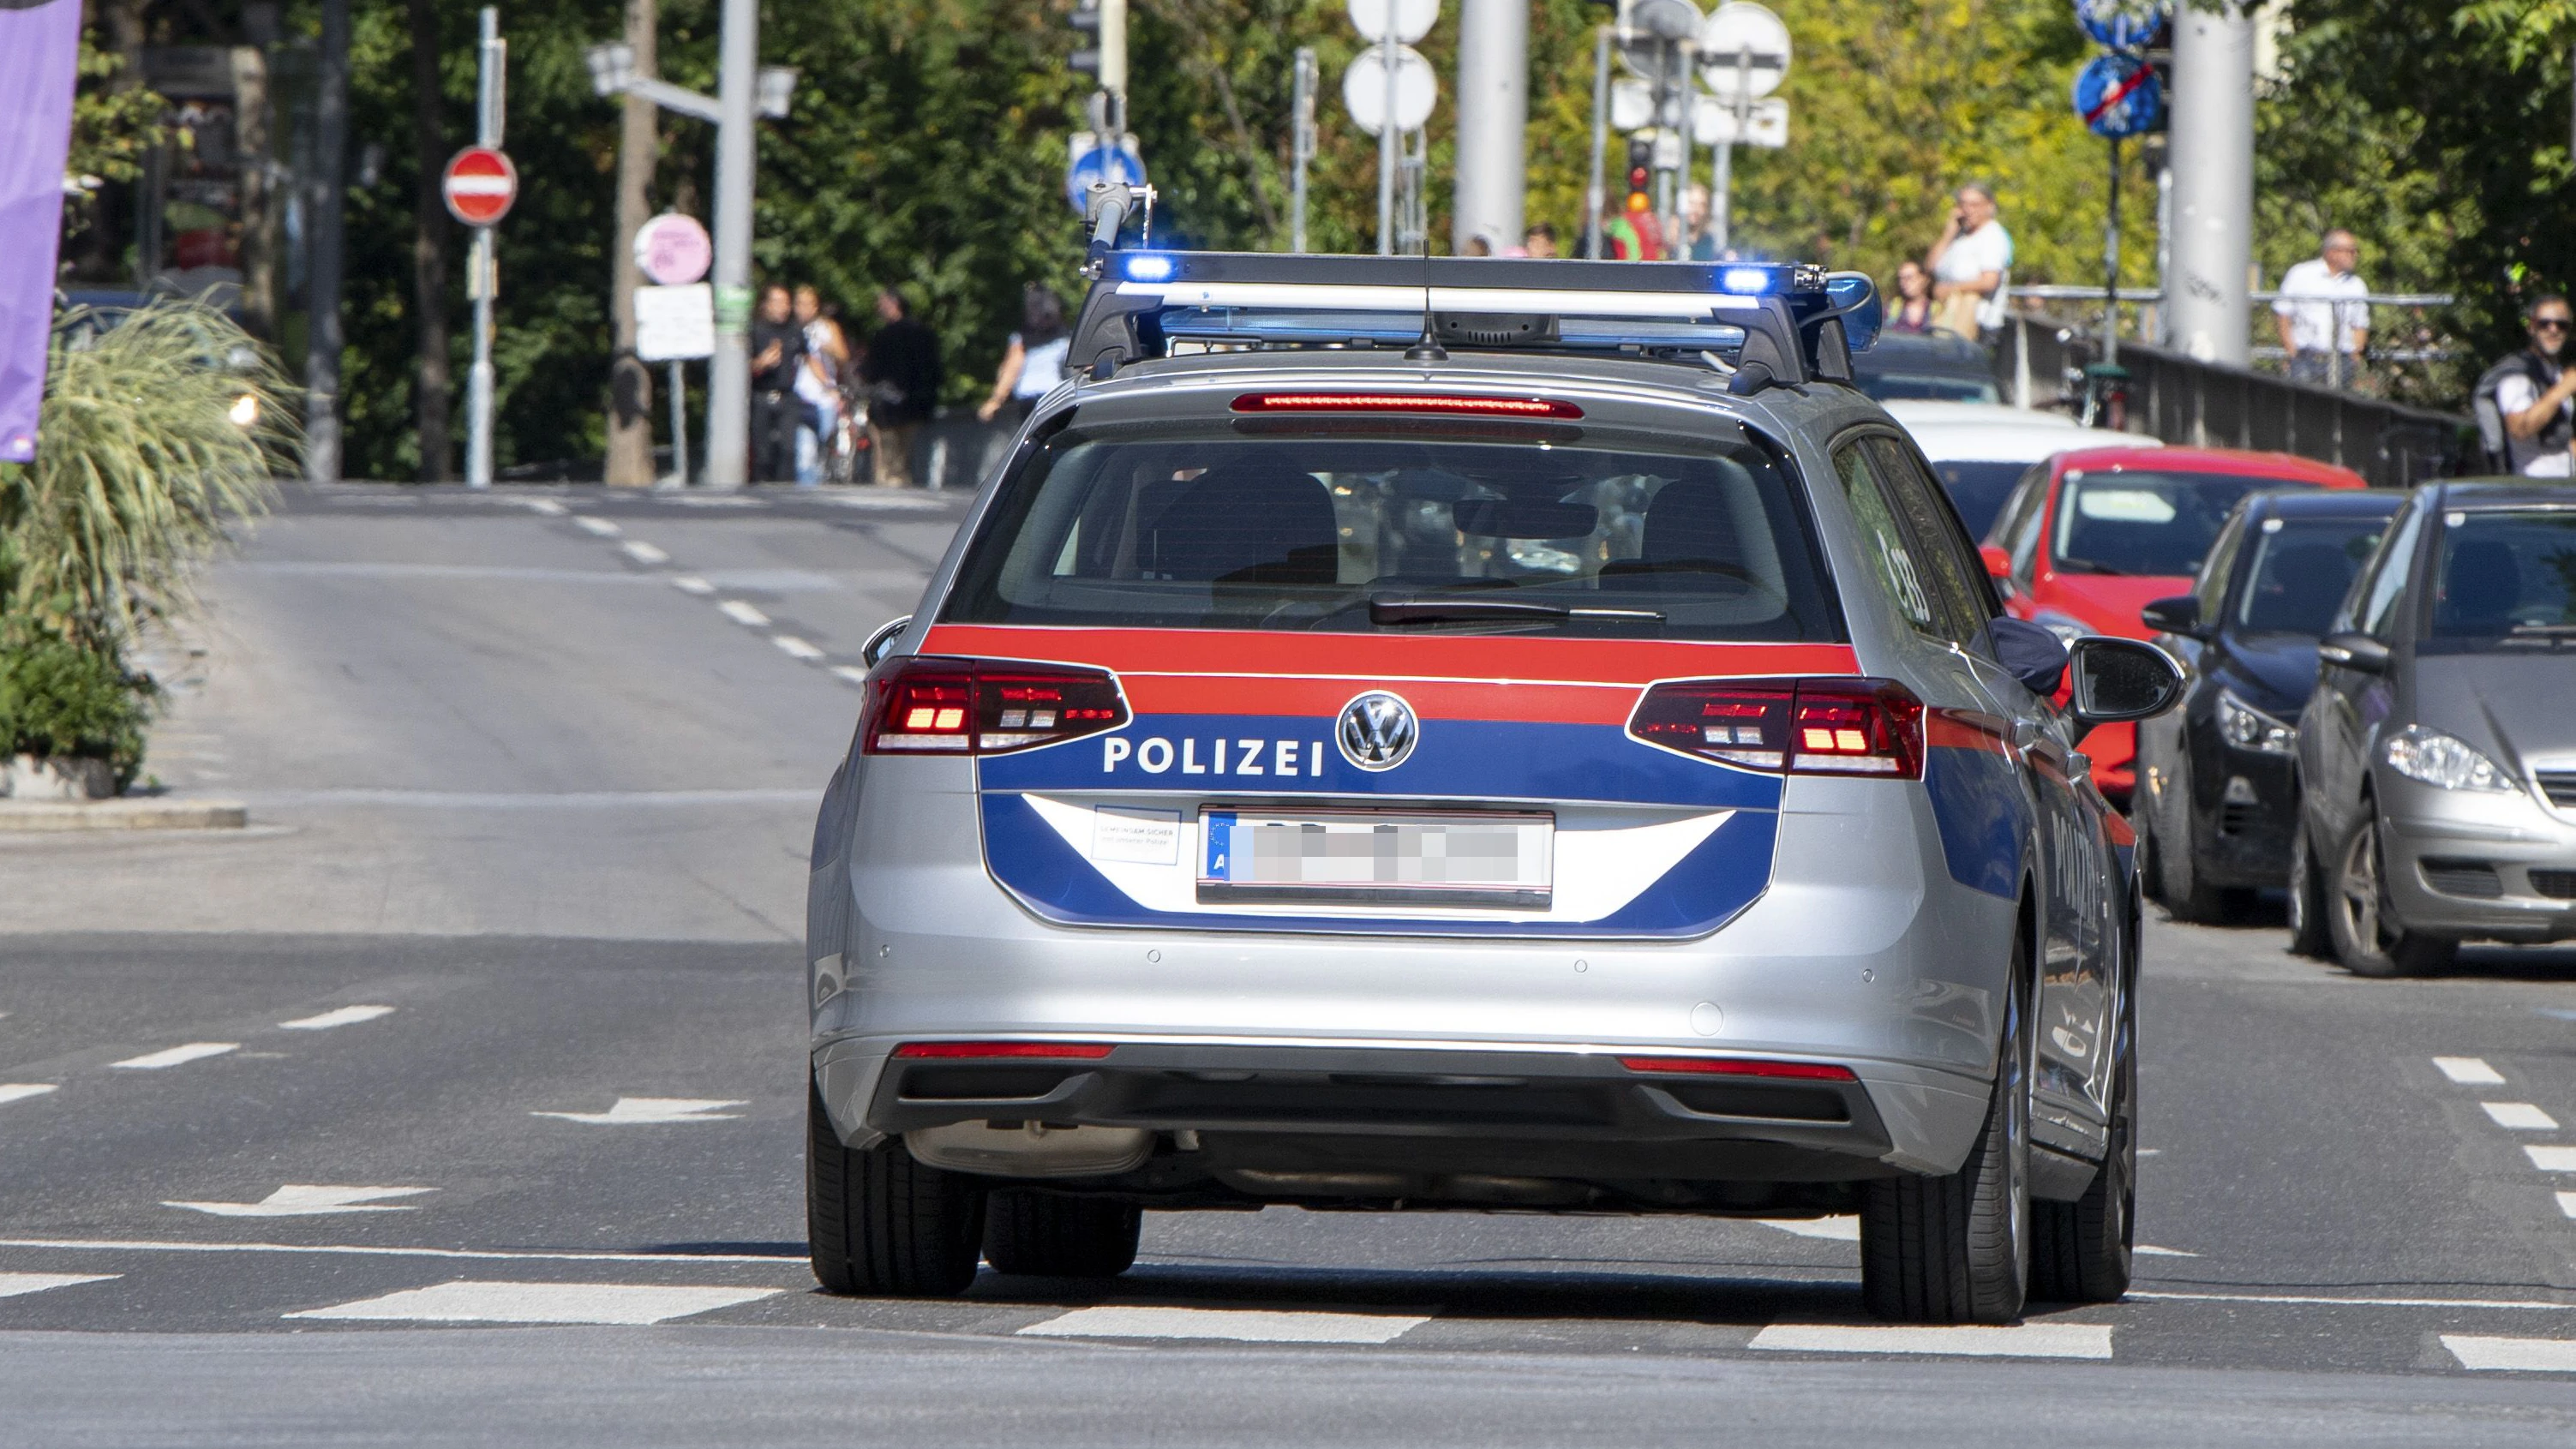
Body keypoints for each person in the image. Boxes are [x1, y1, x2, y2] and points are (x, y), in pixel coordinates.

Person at [2476, 295, 2576, 476]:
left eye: (2561, 325)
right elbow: (2520, 429)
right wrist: (2563, 389)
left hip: (2562, 485)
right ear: (2531, 327)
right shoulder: (2518, 375)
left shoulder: (2555, 373)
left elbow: (2558, 445)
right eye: (2544, 323)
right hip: (2531, 486)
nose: (2553, 330)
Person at [859, 289, 941, 488]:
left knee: (887, 453)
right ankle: (900, 480)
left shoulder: (884, 336)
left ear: (893, 304)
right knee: (905, 452)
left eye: (882, 303)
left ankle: (888, 482)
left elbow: (872, 370)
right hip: (916, 403)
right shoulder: (924, 334)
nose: (878, 307)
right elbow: (934, 370)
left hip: (888, 406)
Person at [2273, 230, 2369, 389]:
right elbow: (2283, 313)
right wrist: (2291, 351)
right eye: (2351, 251)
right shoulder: (2301, 274)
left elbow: (2360, 325)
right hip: (2305, 357)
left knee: (2337, 404)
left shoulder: (2357, 285)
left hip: (2341, 360)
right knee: (2303, 402)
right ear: (2332, 252)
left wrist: (2354, 356)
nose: (2355, 256)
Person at [1926, 183, 2011, 339]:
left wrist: (1950, 289)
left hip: (1978, 324)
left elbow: (1989, 281)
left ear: (1989, 207)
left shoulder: (1992, 235)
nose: (1968, 210)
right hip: (1948, 317)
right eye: (1963, 204)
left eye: (1974, 205)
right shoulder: (1960, 236)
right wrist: (1949, 233)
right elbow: (1930, 267)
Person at [976, 285, 1069, 429]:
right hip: (1056, 398)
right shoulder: (1066, 337)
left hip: (1035, 400)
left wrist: (996, 400)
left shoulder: (1022, 339)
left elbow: (1011, 369)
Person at [747, 284, 805, 484]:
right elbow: (741, 369)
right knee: (762, 452)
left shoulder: (794, 330)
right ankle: (761, 487)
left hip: (787, 395)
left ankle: (786, 490)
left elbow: (809, 358)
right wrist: (761, 363)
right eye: (777, 302)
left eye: (786, 303)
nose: (783, 308)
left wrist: (828, 387)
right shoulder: (755, 330)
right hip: (761, 394)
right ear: (766, 305)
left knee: (788, 450)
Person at [793, 286, 850, 486]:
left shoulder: (827, 327)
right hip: (801, 396)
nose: (803, 308)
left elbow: (843, 356)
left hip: (825, 398)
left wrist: (826, 346)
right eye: (799, 304)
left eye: (808, 304)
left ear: (816, 306)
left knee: (823, 449)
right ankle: (806, 490)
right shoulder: (792, 329)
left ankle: (820, 487)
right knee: (805, 452)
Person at [1886, 259, 1936, 334]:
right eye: (1901, 279)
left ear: (1924, 279)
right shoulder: (1892, 308)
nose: (1903, 283)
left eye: (1909, 278)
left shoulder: (1937, 310)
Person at [1678, 185, 1720, 262]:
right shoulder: (1668, 242)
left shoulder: (1711, 244)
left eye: (1702, 205)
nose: (1696, 209)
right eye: (1692, 203)